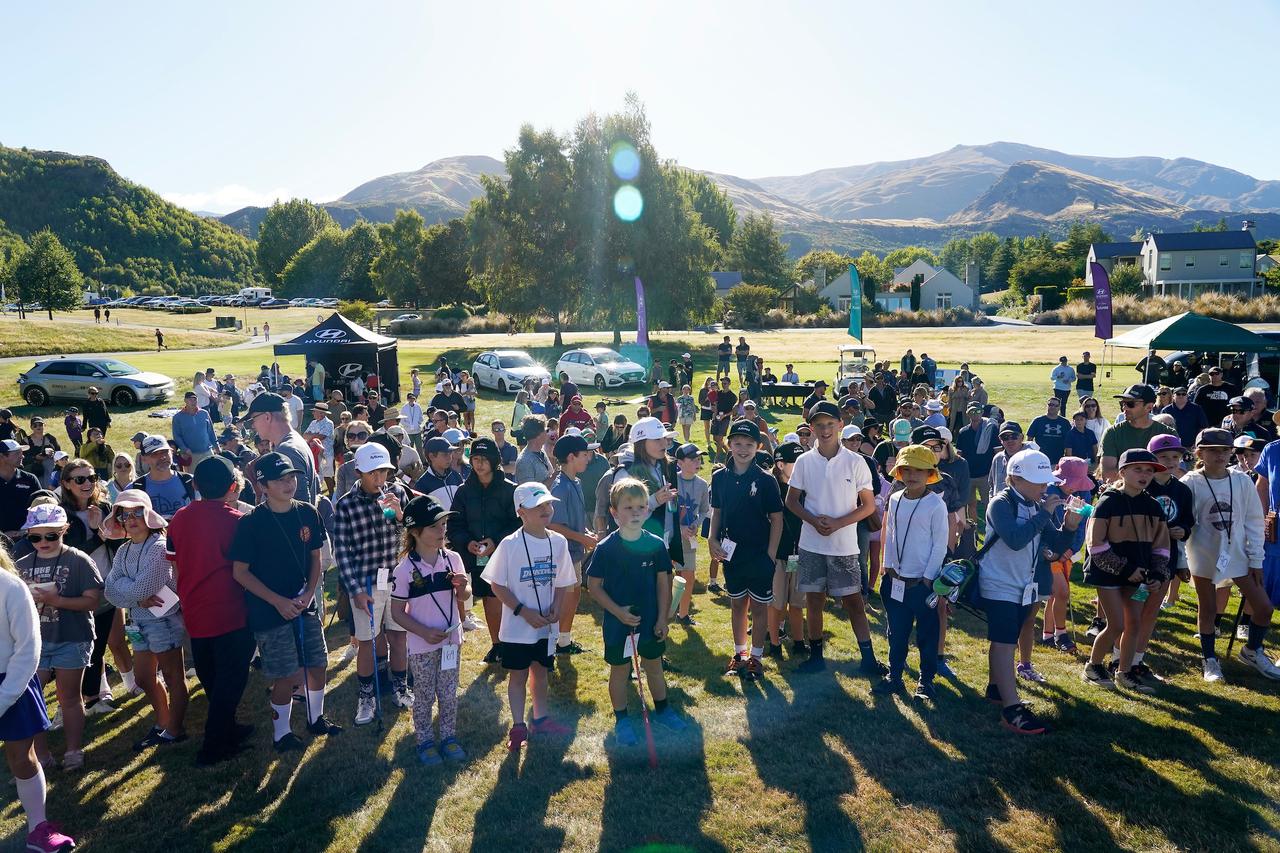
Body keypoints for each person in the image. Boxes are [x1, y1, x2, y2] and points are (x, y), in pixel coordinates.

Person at [230, 452, 339, 752]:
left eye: (291, 477)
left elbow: (316, 559)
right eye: (280, 479)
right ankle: (282, 734)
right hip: (269, 612)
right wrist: (277, 601)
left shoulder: (308, 512)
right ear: (263, 485)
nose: (289, 483)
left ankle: (316, 719)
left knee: (318, 664)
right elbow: (240, 572)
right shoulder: (251, 523)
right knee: (285, 675)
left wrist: (308, 594)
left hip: (305, 606)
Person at [977, 449, 1081, 734]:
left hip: (1023, 585)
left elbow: (1055, 545)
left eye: (1044, 481)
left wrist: (1069, 527)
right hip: (999, 583)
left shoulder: (1036, 506)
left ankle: (996, 689)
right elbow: (1014, 539)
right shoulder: (1001, 503)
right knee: (1004, 641)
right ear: (1014, 479)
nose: (1043, 487)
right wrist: (1046, 513)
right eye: (1037, 482)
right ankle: (1012, 709)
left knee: (1004, 639)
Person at [164, 458, 256, 765]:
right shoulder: (237, 520)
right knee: (231, 679)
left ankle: (228, 729)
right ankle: (214, 746)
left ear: (196, 485)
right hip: (232, 612)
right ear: (233, 486)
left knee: (213, 678)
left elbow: (174, 564)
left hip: (195, 612)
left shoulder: (178, 518)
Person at [587, 477, 688, 746]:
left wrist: (663, 617)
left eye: (640, 507)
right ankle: (622, 720)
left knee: (653, 667)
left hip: (651, 622)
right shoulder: (605, 548)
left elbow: (663, 583)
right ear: (614, 512)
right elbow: (593, 587)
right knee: (620, 671)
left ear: (648, 510)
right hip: (618, 624)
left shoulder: (655, 544)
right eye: (627, 508)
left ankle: (664, 710)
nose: (635, 513)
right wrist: (618, 612)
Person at [481, 482, 577, 751]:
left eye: (548, 504)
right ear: (521, 511)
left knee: (542, 672)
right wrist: (523, 611)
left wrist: (557, 606)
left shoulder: (558, 542)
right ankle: (518, 725)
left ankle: (541, 718)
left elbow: (562, 581)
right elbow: (496, 585)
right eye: (539, 506)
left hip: (545, 627)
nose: (547, 510)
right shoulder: (509, 545)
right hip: (516, 629)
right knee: (518, 676)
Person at [1183, 428, 1278, 682]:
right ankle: (1210, 660)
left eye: (1225, 451)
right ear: (1200, 452)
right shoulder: (1190, 483)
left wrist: (1256, 558)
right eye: (1213, 451)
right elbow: (1183, 524)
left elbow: (1254, 522)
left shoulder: (1242, 481)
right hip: (1203, 554)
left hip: (1237, 554)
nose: (1221, 455)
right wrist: (1182, 560)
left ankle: (1252, 650)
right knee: (1209, 608)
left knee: (1263, 606)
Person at [0, 542, 77, 851]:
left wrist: (3, 697)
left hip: (13, 683)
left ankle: (38, 829)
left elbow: (28, 649)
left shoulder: (10, 586)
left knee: (22, 757)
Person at [101, 489, 191, 751]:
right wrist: (136, 597)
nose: (131, 519)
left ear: (148, 514)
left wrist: (129, 591)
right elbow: (110, 590)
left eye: (136, 512)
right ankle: (163, 723)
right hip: (139, 621)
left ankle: (175, 729)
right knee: (142, 678)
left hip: (164, 621)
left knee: (174, 676)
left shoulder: (159, 547)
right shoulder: (124, 550)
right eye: (124, 514)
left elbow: (139, 588)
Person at [14, 503, 101, 771]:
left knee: (69, 698)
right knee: (32, 698)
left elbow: (93, 601)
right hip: (35, 643)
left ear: (64, 530)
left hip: (72, 637)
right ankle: (42, 756)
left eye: (50, 535)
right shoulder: (21, 566)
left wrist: (57, 600)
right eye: (35, 537)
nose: (42, 542)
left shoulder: (78, 560)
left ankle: (74, 750)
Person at [1080, 450, 1172, 693]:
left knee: (1135, 623)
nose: (1144, 475)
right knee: (1116, 624)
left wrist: (1157, 573)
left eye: (1150, 470)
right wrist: (1125, 568)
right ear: (1122, 472)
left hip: (1139, 578)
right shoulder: (1107, 502)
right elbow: (1096, 546)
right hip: (1107, 574)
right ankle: (1093, 666)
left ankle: (1124, 672)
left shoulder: (1153, 506)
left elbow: (1161, 547)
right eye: (1137, 469)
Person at [335, 443, 412, 724]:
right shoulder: (345, 504)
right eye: (373, 474)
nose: (380, 479)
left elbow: (411, 537)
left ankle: (401, 688)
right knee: (366, 642)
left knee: (398, 636)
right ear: (359, 472)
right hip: (367, 582)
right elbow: (341, 552)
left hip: (398, 579)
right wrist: (354, 590)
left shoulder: (399, 493)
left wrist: (402, 516)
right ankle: (366, 697)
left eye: (384, 472)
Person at [390, 496, 470, 765]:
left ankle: (448, 737)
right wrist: (423, 631)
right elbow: (397, 613)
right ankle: (424, 740)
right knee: (423, 695)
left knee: (449, 693)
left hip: (450, 642)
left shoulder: (453, 559)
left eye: (444, 524)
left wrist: (463, 588)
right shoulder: (404, 571)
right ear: (414, 532)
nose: (442, 531)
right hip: (423, 646)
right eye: (435, 526)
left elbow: (465, 596)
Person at [873, 445, 949, 699]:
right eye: (907, 470)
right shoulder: (894, 500)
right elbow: (890, 535)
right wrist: (889, 568)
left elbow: (940, 545)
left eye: (919, 470)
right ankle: (894, 675)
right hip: (896, 579)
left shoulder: (935, 505)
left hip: (922, 583)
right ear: (899, 472)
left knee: (927, 634)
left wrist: (928, 579)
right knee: (896, 631)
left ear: (929, 474)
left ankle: (925, 681)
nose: (912, 475)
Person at [709, 419, 783, 680]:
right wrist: (711, 539)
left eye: (749, 444)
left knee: (760, 608)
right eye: (737, 443)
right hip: (732, 555)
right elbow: (717, 512)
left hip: (760, 554)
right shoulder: (719, 477)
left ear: (758, 446)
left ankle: (756, 658)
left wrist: (771, 556)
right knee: (737, 604)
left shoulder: (765, 480)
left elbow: (777, 519)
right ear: (728, 445)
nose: (742, 449)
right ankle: (739, 655)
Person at [450, 438, 519, 664]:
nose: (479, 464)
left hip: (507, 554)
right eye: (475, 459)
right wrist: (467, 542)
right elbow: (455, 526)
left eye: (484, 459)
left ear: (494, 461)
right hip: (479, 557)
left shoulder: (510, 490)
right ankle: (497, 645)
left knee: (510, 598)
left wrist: (496, 541)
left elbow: (518, 524)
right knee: (489, 598)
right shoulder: (463, 491)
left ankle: (514, 643)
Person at [547, 434, 598, 657]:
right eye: (585, 454)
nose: (589, 458)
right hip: (563, 555)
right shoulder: (561, 487)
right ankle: (557, 643)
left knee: (574, 594)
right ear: (571, 457)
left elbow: (571, 520)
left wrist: (585, 533)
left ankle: (564, 641)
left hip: (573, 552)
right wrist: (582, 538)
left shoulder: (575, 482)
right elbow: (554, 526)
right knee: (566, 597)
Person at [242, 392, 321, 507]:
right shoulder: (293, 442)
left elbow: (301, 506)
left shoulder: (287, 451)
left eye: (253, 419)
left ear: (267, 417)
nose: (253, 425)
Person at [671, 443, 710, 627]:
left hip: (689, 538)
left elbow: (703, 510)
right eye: (693, 459)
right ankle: (665, 611)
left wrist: (695, 524)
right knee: (664, 576)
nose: (698, 462)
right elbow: (665, 513)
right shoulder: (671, 482)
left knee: (688, 576)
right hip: (669, 537)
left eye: (699, 459)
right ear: (679, 462)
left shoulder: (702, 485)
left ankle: (683, 614)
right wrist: (679, 529)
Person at [1099, 385, 1174, 482]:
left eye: (1130, 404)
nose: (1124, 407)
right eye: (1123, 403)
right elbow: (1108, 473)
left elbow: (1171, 469)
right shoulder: (1112, 433)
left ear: (1149, 407)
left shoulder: (1167, 433)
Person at [129, 435, 196, 520]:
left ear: (171, 453)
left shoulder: (192, 482)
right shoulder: (134, 490)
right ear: (144, 459)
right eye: (155, 454)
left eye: (165, 452)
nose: (162, 457)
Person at [956, 405, 997, 519]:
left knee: (989, 503)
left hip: (986, 475)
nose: (975, 413)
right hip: (968, 475)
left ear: (982, 412)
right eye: (972, 411)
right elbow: (959, 454)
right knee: (971, 504)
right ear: (968, 413)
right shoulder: (963, 432)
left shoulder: (991, 429)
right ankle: (973, 531)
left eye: (978, 411)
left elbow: (997, 452)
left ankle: (991, 528)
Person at [0, 439, 41, 541]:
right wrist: (3, 535)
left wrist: (27, 531)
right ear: (2, 456)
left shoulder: (30, 479)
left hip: (28, 539)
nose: (22, 456)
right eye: (17, 453)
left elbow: (41, 508)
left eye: (22, 453)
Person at [172, 393, 217, 471]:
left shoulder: (204, 413)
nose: (193, 402)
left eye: (195, 399)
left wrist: (217, 445)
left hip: (207, 451)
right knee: (193, 478)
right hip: (191, 454)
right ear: (185, 401)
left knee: (211, 475)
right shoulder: (178, 417)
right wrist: (184, 449)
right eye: (190, 400)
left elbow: (211, 431)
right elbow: (177, 436)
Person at [1027, 397, 1070, 465]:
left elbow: (1069, 442)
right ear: (1047, 405)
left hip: (1058, 461)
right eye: (1050, 405)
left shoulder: (1065, 423)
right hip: (1039, 460)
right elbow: (1029, 441)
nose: (1053, 407)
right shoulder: (1038, 421)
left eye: (1056, 405)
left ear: (1059, 407)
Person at [515, 416, 554, 487]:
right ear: (538, 435)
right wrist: (554, 477)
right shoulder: (524, 462)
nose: (548, 433)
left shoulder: (541, 451)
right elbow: (529, 492)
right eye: (547, 430)